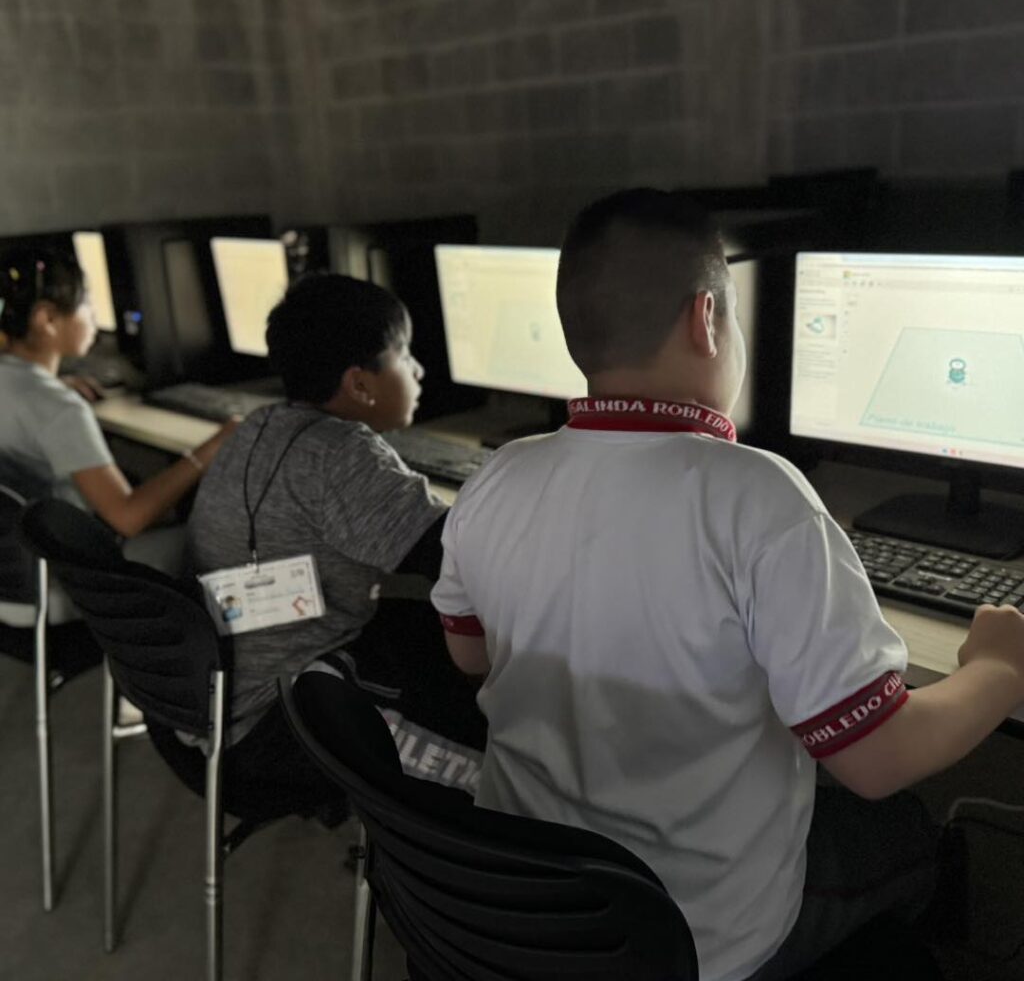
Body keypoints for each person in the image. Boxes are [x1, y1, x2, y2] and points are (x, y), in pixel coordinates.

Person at [430, 188, 1024, 981]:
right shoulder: (760, 498)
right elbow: (876, 759)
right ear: (706, 319)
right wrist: (999, 668)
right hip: (695, 937)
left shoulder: (496, 479)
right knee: (907, 834)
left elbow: (469, 657)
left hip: (530, 905)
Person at [184, 272, 485, 810]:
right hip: (273, 721)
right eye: (404, 355)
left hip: (209, 696)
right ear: (360, 384)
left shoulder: (260, 424)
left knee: (425, 629)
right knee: (500, 766)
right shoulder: (340, 454)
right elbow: (463, 559)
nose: (418, 370)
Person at [0, 245, 236, 561]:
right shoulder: (60, 409)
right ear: (47, 319)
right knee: (215, 535)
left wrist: (53, 386)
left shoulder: (33, 393)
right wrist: (215, 446)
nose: (94, 316)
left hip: (20, 561)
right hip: (74, 564)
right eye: (86, 303)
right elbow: (128, 518)